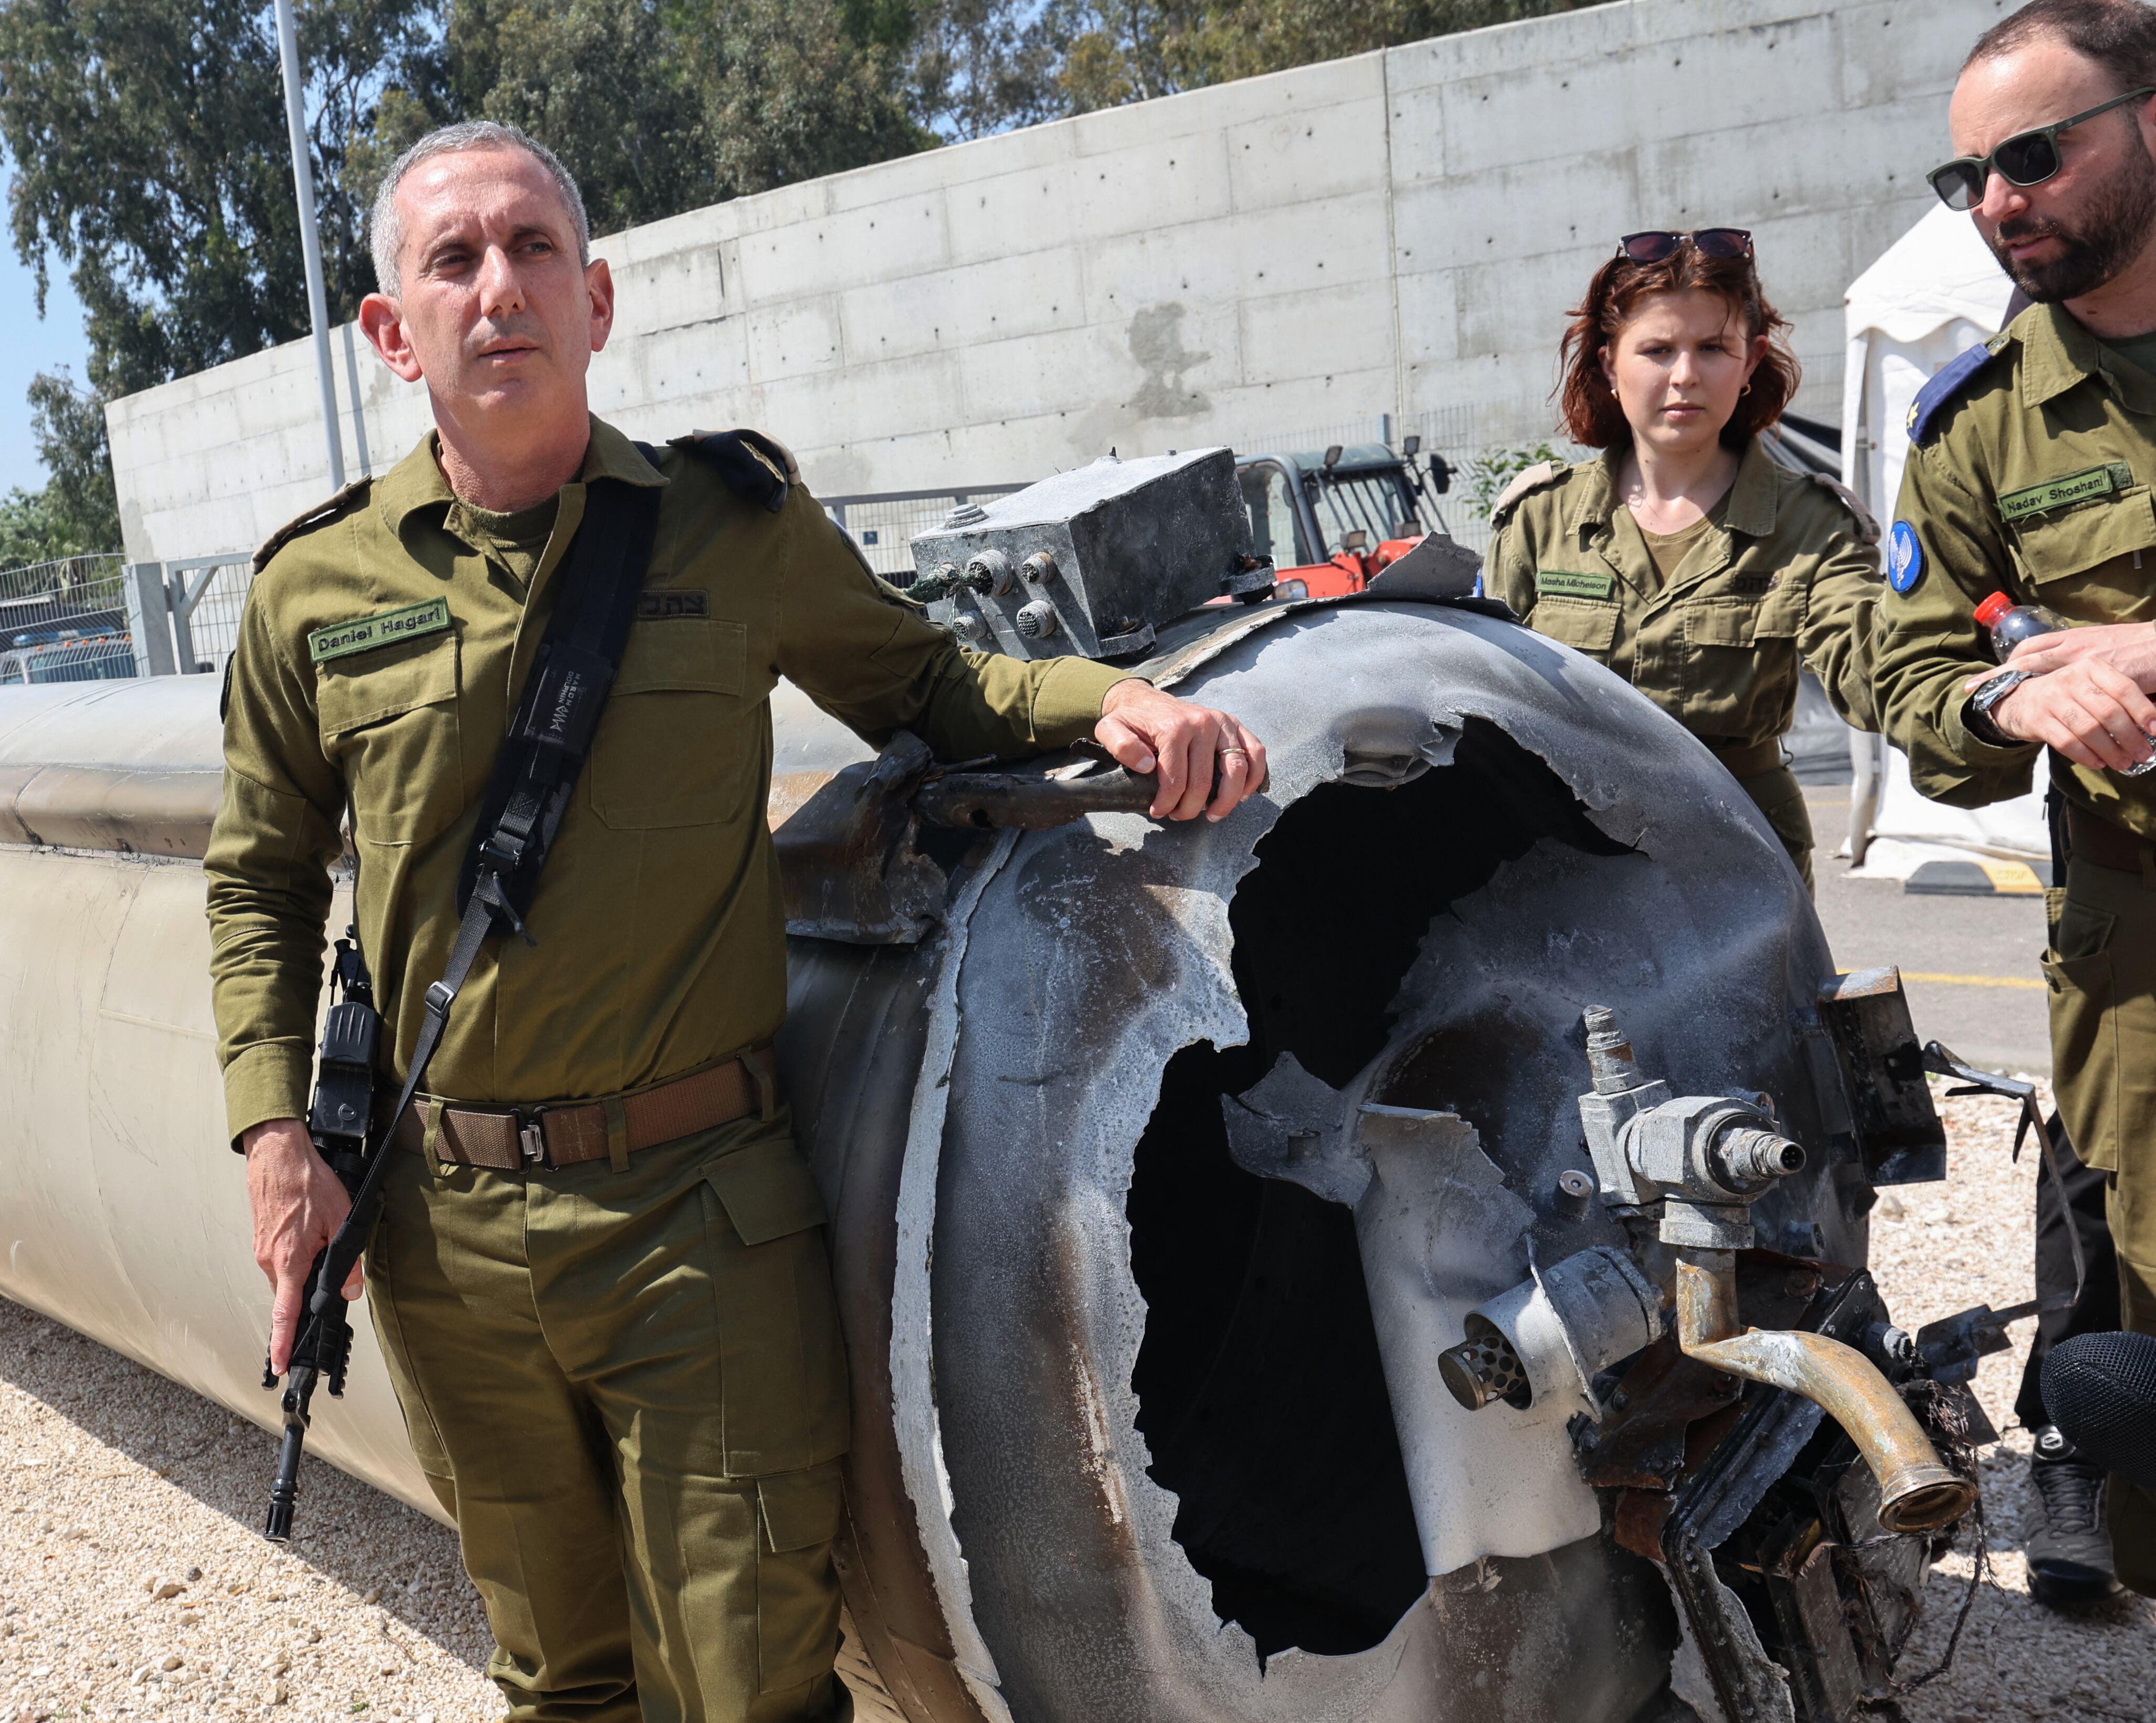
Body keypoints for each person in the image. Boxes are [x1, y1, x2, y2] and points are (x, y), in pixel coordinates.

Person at [202, 120, 1268, 1721]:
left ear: (597, 297)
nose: (501, 288)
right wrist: (276, 1132)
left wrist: (1107, 696)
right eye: (454, 260)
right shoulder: (315, 589)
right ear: (389, 331)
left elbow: (930, 685)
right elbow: (260, 877)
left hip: (697, 1215)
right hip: (446, 1235)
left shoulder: (730, 524)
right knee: (561, 1677)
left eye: (534, 250)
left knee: (751, 1682)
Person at [1874, 0, 2156, 1606]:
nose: (1998, 200)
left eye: (2034, 154)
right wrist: (2007, 689)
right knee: (2139, 1292)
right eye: (1967, 174)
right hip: (2137, 945)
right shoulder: (1974, 430)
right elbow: (1921, 682)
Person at [1484, 229, 1885, 894]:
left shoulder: (1812, 523)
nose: (1685, 376)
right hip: (1567, 845)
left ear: (1751, 359)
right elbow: (1490, 698)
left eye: (1712, 348)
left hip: (1742, 848)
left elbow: (1873, 666)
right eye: (1657, 350)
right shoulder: (1538, 518)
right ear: (1609, 364)